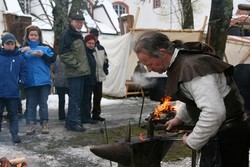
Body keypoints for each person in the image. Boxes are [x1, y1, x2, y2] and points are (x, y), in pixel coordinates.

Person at [133, 30, 250, 167]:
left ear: (163, 53)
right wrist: (179, 118)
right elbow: (194, 99)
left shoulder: (192, 68)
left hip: (227, 138)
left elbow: (214, 112)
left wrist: (193, 141)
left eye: (149, 63)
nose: (149, 69)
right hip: (222, 135)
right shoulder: (182, 63)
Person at [20, 25, 56, 135]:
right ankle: (31, 124)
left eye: (36, 35)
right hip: (29, 81)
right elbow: (15, 60)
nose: (33, 37)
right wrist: (22, 51)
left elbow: (53, 60)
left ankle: (44, 123)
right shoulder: (23, 49)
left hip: (44, 81)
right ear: (28, 36)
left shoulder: (45, 48)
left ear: (39, 36)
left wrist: (43, 55)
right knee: (31, 104)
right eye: (31, 35)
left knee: (43, 104)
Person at [59, 14, 90, 132]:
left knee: (77, 98)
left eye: (81, 22)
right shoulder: (67, 35)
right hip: (74, 73)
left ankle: (70, 122)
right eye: (77, 22)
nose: (80, 24)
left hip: (80, 72)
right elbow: (63, 54)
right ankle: (73, 123)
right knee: (75, 98)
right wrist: (77, 64)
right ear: (72, 22)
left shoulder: (78, 35)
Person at [0, 33, 27, 143]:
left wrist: (21, 81)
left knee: (13, 114)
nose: (10, 46)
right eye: (8, 44)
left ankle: (15, 134)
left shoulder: (19, 57)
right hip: (0, 92)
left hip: (13, 92)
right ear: (3, 44)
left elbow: (24, 71)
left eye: (12, 44)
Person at [89, 28, 109, 121]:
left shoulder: (101, 48)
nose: (95, 37)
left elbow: (105, 59)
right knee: (87, 96)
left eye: (96, 35)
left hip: (99, 76)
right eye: (93, 35)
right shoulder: (88, 47)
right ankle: (86, 114)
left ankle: (96, 114)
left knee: (98, 96)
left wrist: (105, 69)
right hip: (90, 76)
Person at [80, 34, 98, 124]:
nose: (91, 45)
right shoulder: (85, 53)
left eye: (93, 43)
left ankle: (86, 116)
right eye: (89, 43)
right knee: (85, 99)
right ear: (85, 43)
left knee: (88, 99)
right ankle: (85, 117)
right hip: (85, 80)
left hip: (90, 80)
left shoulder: (91, 53)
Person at [53, 56, 69, 121]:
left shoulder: (56, 57)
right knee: (71, 98)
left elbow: (52, 68)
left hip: (59, 80)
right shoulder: (69, 56)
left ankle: (61, 115)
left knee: (61, 99)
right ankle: (69, 114)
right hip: (67, 80)